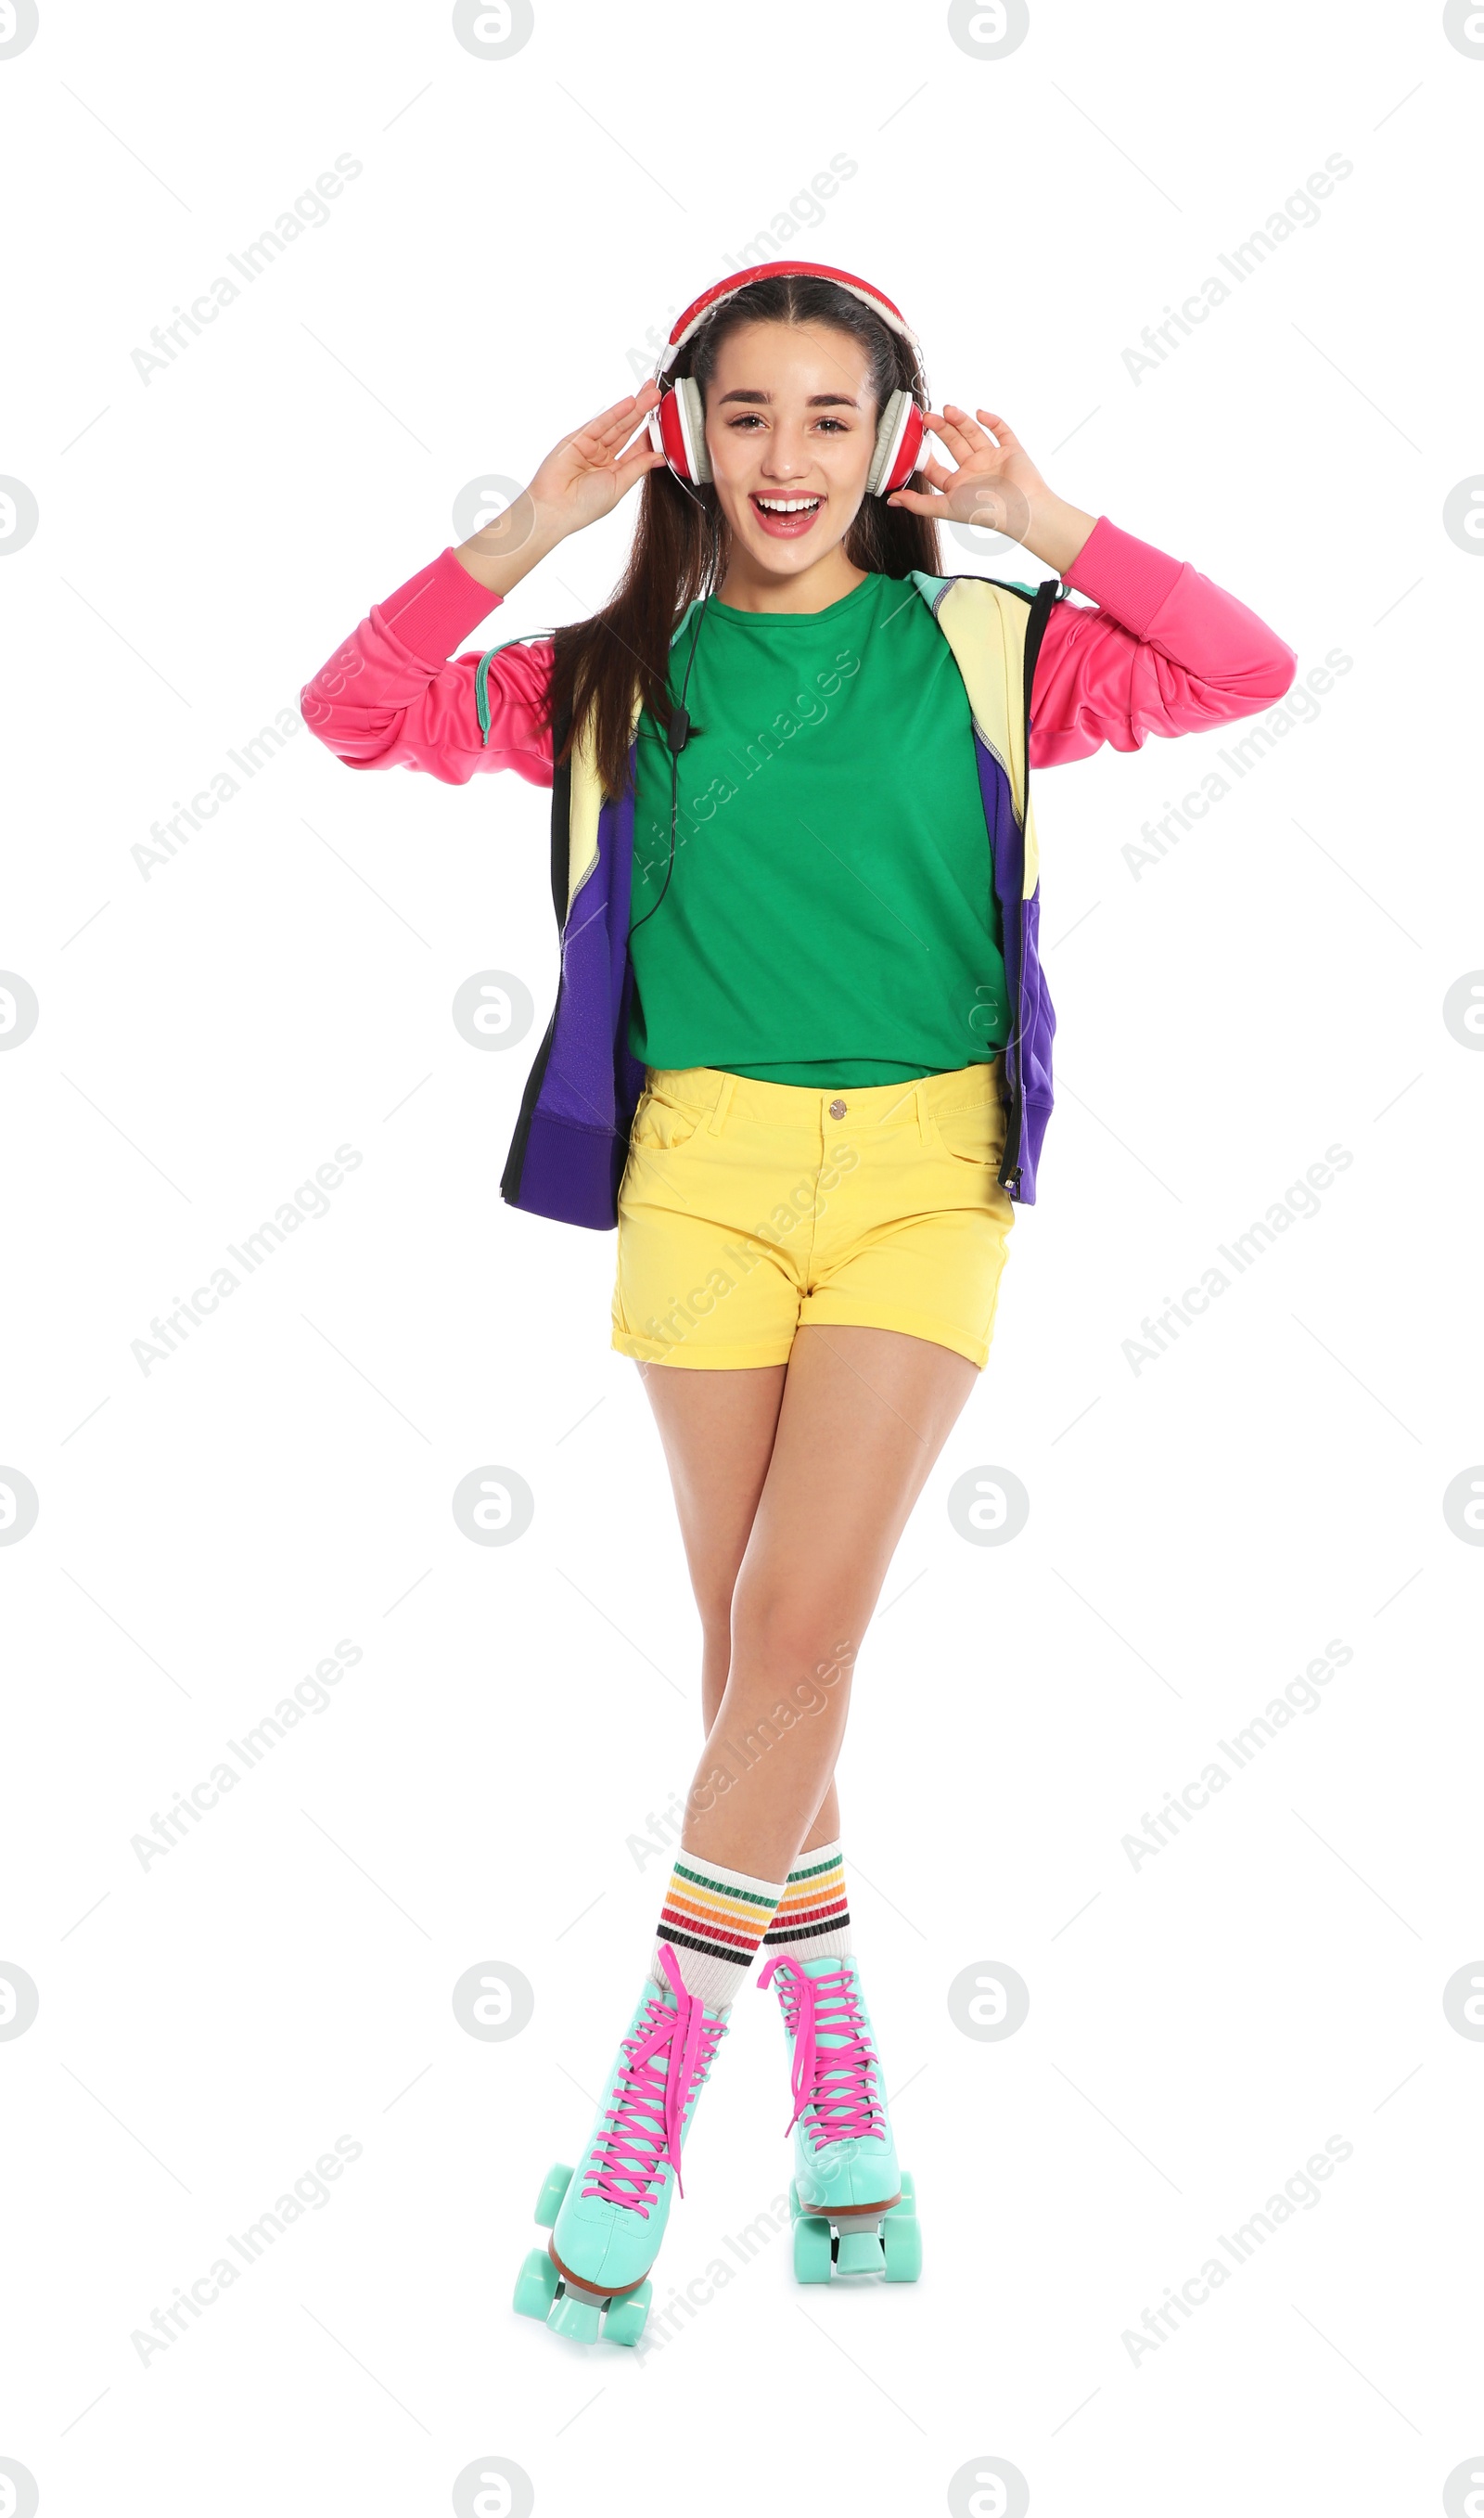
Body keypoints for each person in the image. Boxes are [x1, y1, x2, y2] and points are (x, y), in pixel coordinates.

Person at [301, 261, 1297, 2344]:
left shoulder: (990, 642)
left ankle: (640, 2135)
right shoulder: (612, 672)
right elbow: (356, 709)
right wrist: (532, 523)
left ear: (891, 436)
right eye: (742, 416)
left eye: (829, 419)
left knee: (795, 1635)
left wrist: (1044, 520)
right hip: (703, 1191)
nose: (786, 460)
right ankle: (845, 2118)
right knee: (757, 1649)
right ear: (686, 433)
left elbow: (1242, 667)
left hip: (924, 1185)